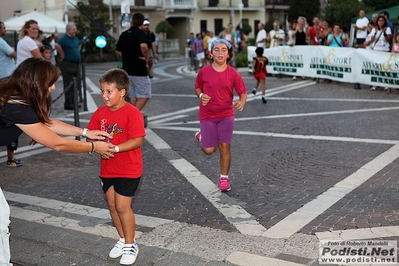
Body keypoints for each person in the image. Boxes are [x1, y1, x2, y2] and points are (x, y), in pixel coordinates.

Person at [0, 57, 116, 266]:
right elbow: (57, 144)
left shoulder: (16, 95)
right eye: (50, 83)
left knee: (1, 217)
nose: (53, 87)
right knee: (0, 218)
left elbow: (46, 122)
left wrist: (85, 131)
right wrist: (93, 147)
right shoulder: (16, 106)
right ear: (35, 82)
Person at [87, 68, 145, 265]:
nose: (104, 96)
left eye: (108, 91)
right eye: (102, 91)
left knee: (122, 206)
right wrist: (94, 148)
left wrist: (116, 148)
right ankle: (121, 239)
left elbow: (137, 140)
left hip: (129, 168)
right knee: (112, 205)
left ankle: (131, 244)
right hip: (107, 169)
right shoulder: (100, 113)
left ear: (122, 92)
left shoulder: (133, 113)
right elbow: (92, 135)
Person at [194, 39, 247, 192]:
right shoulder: (204, 72)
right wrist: (201, 95)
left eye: (224, 50)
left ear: (228, 54)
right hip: (207, 114)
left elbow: (242, 92)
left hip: (226, 115)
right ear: (211, 53)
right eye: (216, 49)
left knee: (225, 145)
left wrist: (241, 102)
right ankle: (202, 136)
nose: (220, 53)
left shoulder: (233, 73)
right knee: (209, 150)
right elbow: (197, 87)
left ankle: (224, 178)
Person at [116, 13, 151, 112]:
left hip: (126, 68)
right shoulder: (141, 33)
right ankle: (133, 115)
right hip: (139, 68)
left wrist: (127, 55)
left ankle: (131, 115)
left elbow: (118, 50)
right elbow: (144, 46)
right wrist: (146, 58)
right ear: (142, 23)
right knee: (145, 94)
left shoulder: (124, 34)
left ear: (132, 21)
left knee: (133, 94)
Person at [0, 21, 23, 168]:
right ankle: (11, 157)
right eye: (3, 27)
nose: (5, 29)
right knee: (12, 117)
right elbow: (13, 53)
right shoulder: (1, 41)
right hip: (5, 79)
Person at [57, 22, 81, 110]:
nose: (75, 31)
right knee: (69, 84)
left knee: (76, 84)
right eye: (73, 29)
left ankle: (74, 102)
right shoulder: (64, 38)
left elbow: (79, 43)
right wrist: (62, 54)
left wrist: (77, 52)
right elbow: (57, 45)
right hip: (68, 63)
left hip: (76, 64)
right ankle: (68, 102)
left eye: (75, 29)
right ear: (68, 30)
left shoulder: (74, 38)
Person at [371, 15, 392, 93]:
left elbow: (387, 40)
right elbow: (372, 40)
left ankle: (385, 84)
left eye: (382, 21)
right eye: (379, 21)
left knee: (384, 66)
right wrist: (376, 32)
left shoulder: (388, 29)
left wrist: (384, 32)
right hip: (376, 49)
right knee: (376, 66)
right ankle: (375, 83)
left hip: (384, 49)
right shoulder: (374, 29)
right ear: (377, 22)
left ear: (384, 22)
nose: (381, 22)